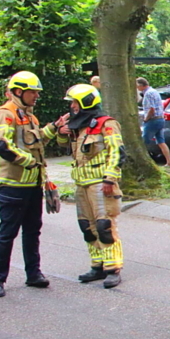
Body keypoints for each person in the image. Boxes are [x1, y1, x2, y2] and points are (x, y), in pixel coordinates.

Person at [0, 71, 62, 298]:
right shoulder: (6, 114)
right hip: (12, 185)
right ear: (19, 92)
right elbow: (1, 145)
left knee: (32, 231)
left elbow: (35, 140)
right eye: (33, 92)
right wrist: (28, 161)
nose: (36, 96)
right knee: (7, 233)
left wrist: (54, 127)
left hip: (32, 185)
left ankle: (33, 274)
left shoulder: (30, 116)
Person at [59, 84, 126, 289]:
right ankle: (97, 265)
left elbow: (117, 152)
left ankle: (112, 268)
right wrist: (61, 131)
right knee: (86, 227)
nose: (72, 106)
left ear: (85, 102)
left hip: (100, 184)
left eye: (74, 102)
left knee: (104, 226)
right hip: (81, 183)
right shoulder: (78, 125)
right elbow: (64, 145)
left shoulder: (107, 124)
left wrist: (109, 179)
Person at [137, 77, 170, 167]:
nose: (137, 88)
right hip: (160, 119)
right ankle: (169, 162)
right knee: (161, 141)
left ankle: (144, 162)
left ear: (141, 85)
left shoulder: (148, 94)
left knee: (143, 141)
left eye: (137, 86)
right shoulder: (154, 91)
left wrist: (146, 119)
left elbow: (151, 109)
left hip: (153, 120)